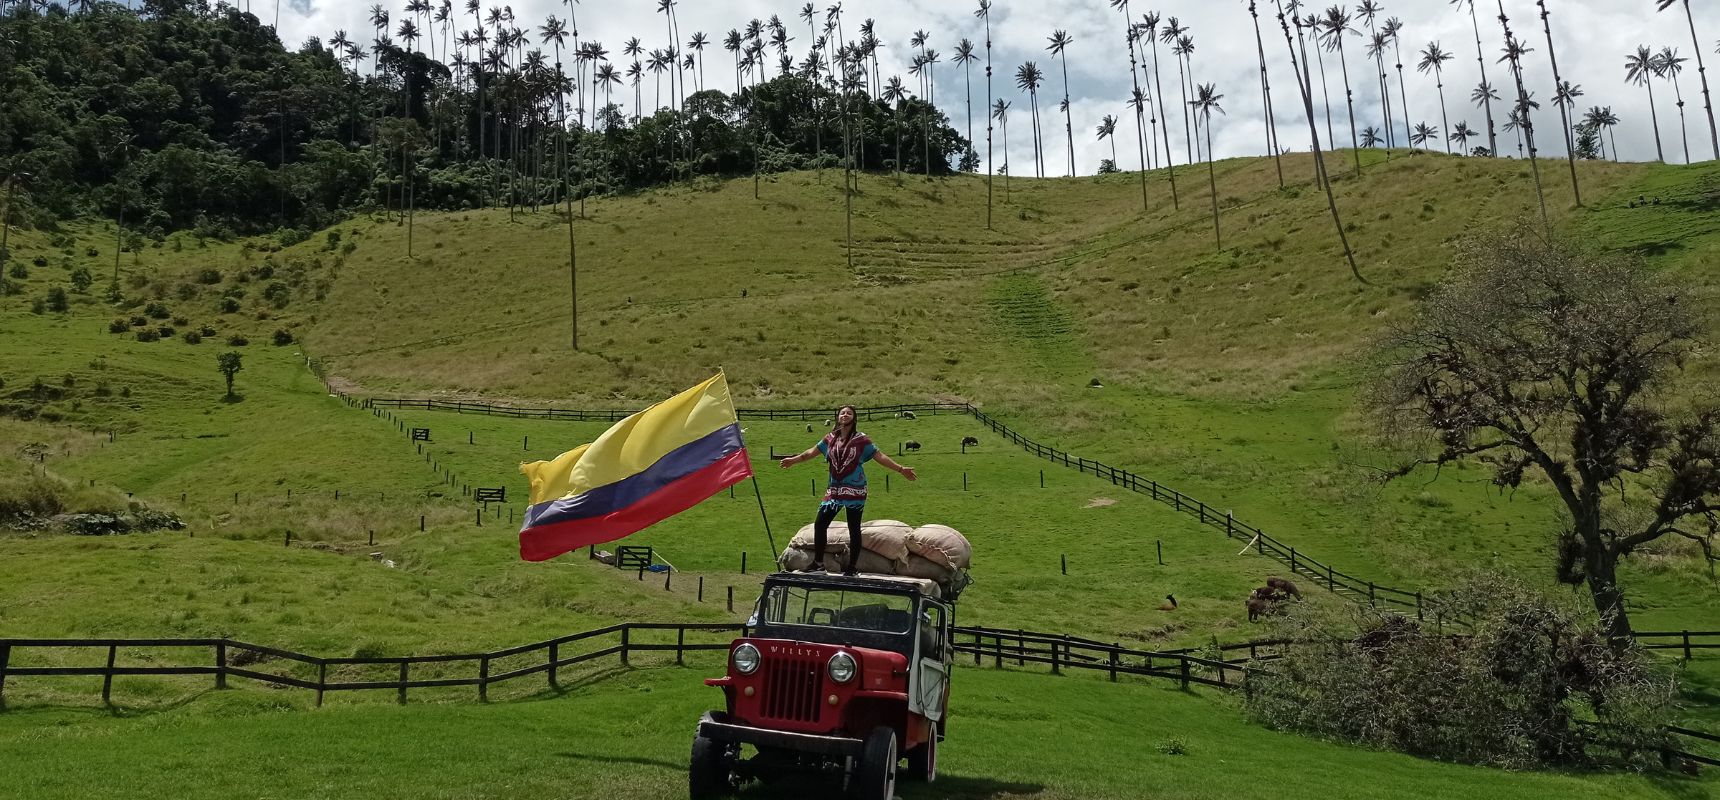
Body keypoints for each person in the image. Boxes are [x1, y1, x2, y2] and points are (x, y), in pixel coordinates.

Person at [780, 404, 917, 574]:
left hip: (855, 489)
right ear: (838, 417)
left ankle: (852, 568)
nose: (845, 415)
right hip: (834, 490)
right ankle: (818, 564)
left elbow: (879, 456)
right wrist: (793, 460)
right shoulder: (830, 438)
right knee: (820, 524)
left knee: (853, 528)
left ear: (854, 418)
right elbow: (811, 452)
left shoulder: (861, 440)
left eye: (849, 413)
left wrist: (901, 469)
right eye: (842, 413)